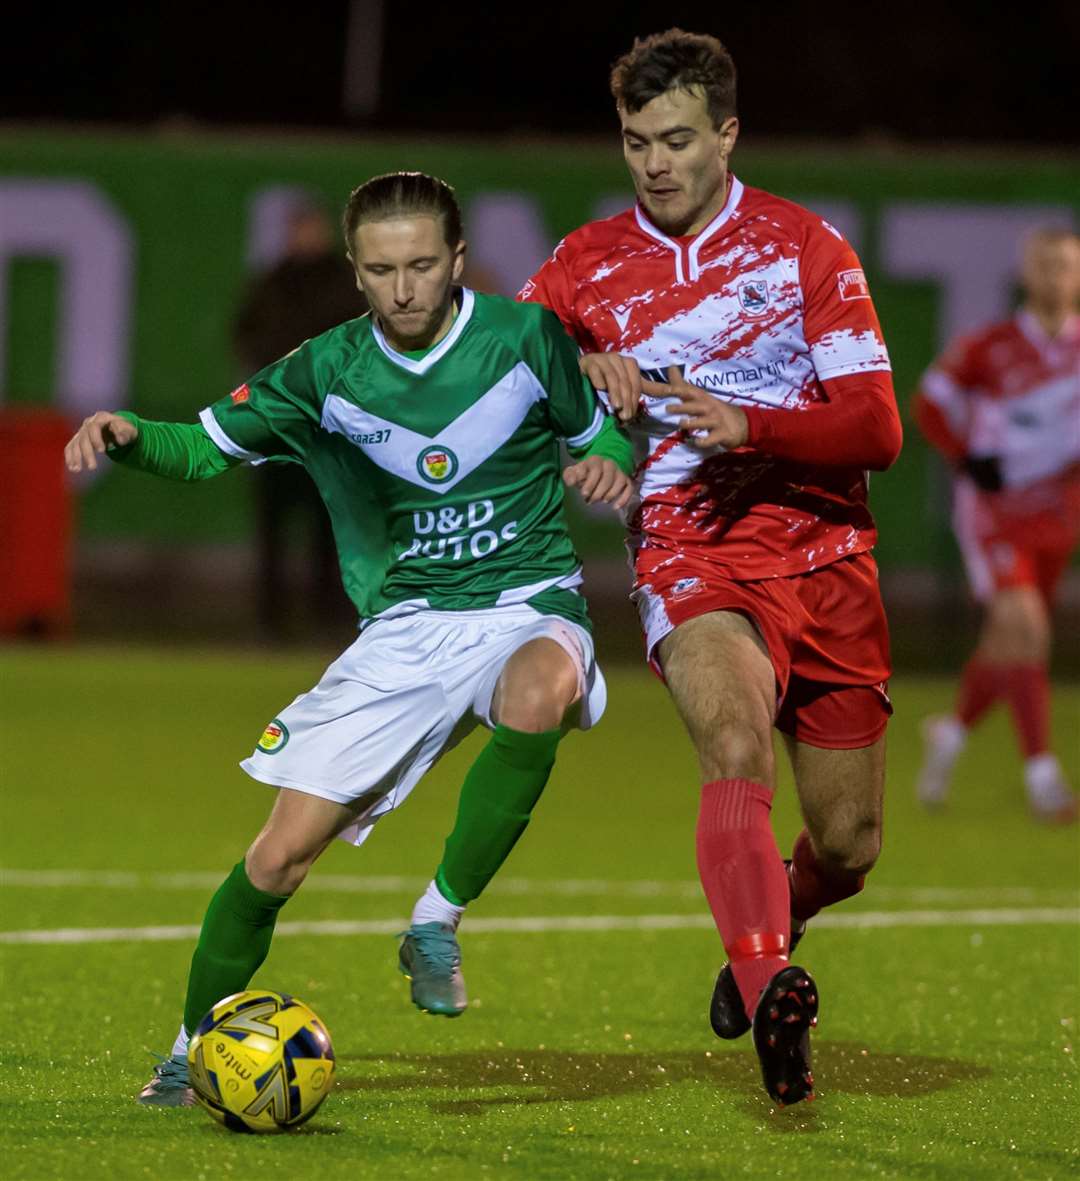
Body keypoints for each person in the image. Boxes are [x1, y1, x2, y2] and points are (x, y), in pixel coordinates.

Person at [64, 171, 633, 1107]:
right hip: (407, 630)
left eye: (420, 265)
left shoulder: (524, 338)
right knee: (277, 858)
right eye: (381, 270)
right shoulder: (326, 369)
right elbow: (206, 445)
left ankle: (437, 917)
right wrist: (130, 437)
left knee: (542, 690)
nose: (403, 288)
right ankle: (189, 1045)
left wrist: (605, 464)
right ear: (354, 273)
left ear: (456, 261)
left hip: (527, 604)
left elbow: (601, 430)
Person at [520, 29, 902, 1106]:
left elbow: (877, 427)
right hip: (692, 553)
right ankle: (771, 975)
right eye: (637, 140)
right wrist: (576, 389)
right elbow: (509, 371)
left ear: (727, 134)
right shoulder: (583, 267)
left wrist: (754, 422)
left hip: (827, 558)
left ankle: (778, 910)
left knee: (850, 841)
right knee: (733, 737)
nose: (653, 163)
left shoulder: (804, 248)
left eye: (677, 140)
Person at [912, 227, 1080, 823]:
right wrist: (965, 457)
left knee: (1009, 643)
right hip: (993, 513)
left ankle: (950, 736)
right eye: (1045, 265)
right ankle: (1044, 779)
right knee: (1029, 631)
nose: (1056, 277)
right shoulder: (990, 345)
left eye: (1065, 265)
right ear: (1027, 274)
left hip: (1056, 517)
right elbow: (929, 402)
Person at [232, 196, 367, 636]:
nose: (302, 237)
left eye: (308, 228)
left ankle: (328, 615)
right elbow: (245, 334)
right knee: (273, 524)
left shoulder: (345, 284)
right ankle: (270, 618)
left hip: (329, 425)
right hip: (278, 423)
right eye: (296, 229)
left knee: (329, 525)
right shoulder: (272, 282)